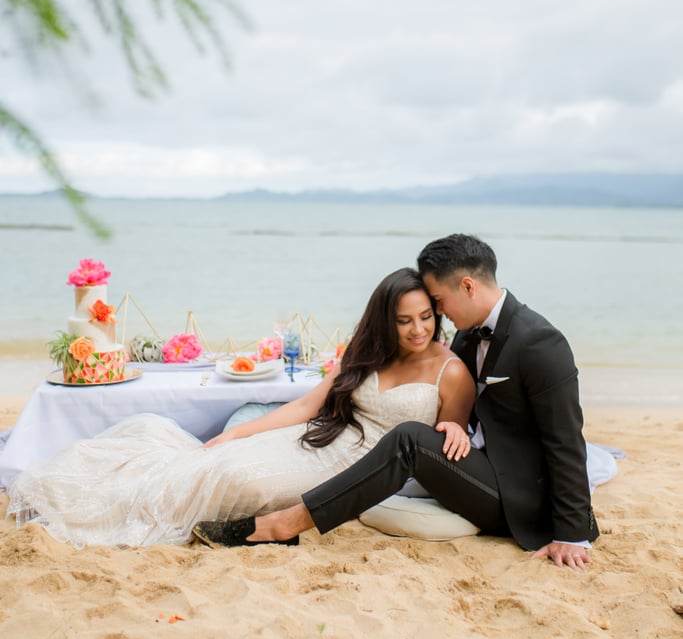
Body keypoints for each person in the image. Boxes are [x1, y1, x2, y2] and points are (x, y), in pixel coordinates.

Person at [197, 234, 599, 570]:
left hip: (521, 499)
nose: (435, 314)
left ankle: (282, 527)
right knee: (407, 442)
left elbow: (566, 440)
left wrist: (571, 534)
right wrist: (458, 424)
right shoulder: (466, 335)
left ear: (468, 287)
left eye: (437, 302)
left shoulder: (540, 343)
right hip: (479, 467)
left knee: (409, 439)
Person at [7, 267, 475, 548]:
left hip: (361, 469)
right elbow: (310, 405)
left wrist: (454, 428)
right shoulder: (367, 349)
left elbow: (443, 435)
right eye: (404, 321)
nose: (418, 330)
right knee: (222, 458)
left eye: (427, 318)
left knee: (236, 480)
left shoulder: (450, 372)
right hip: (320, 440)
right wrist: (238, 433)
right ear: (385, 320)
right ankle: (105, 497)